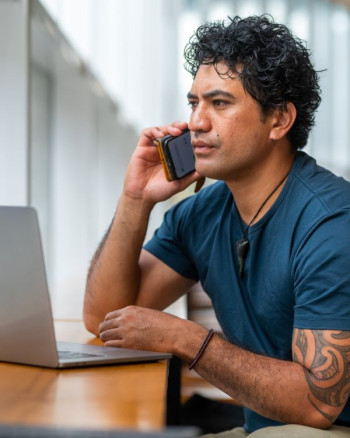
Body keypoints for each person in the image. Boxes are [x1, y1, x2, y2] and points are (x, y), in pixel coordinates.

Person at [83, 15, 350, 437]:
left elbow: (319, 404)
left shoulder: (332, 224)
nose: (196, 122)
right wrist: (136, 199)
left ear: (279, 120)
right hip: (263, 428)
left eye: (219, 103)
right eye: (194, 103)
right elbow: (104, 318)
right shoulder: (202, 211)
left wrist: (185, 339)